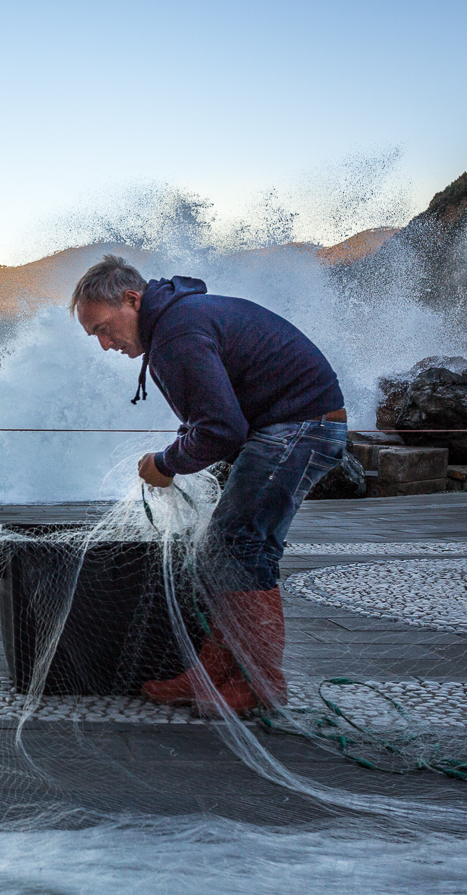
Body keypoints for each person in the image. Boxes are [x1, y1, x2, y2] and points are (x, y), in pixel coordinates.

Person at [71, 255, 346, 715]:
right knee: (229, 548)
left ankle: (260, 684)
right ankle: (215, 673)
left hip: (300, 427)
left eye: (102, 327)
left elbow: (221, 429)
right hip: (296, 427)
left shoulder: (178, 331)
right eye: (94, 335)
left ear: (132, 299)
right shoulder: (178, 320)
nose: (104, 344)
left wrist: (166, 463)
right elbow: (217, 417)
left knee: (237, 544)